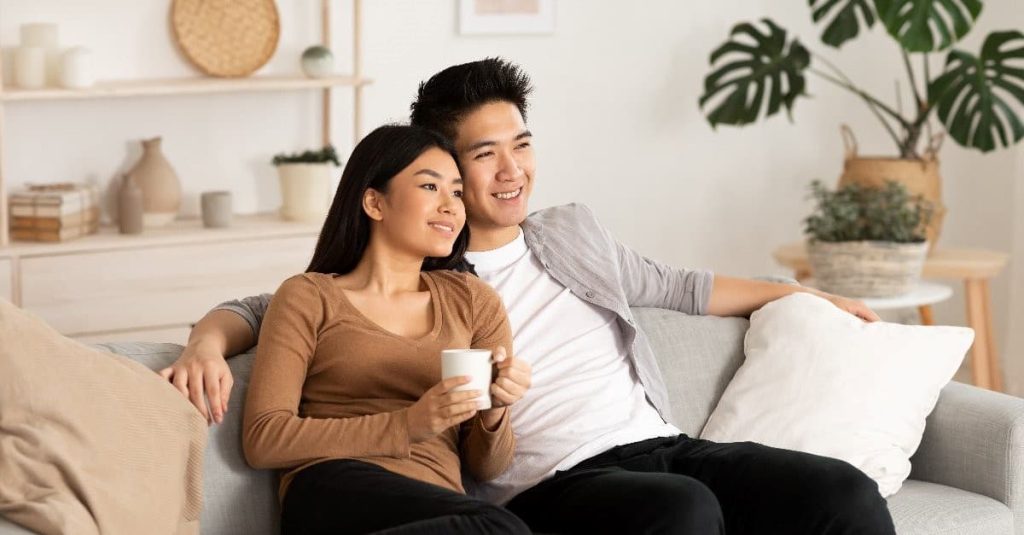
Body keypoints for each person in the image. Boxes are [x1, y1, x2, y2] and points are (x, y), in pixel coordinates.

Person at [163, 59, 894, 534]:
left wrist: (806, 293)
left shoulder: (570, 232)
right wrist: (205, 337)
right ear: (439, 167)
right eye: (483, 155)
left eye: (522, 143)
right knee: (683, 513)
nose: (511, 170)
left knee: (842, 494)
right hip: (555, 484)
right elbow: (287, 304)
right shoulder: (434, 276)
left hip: (664, 444)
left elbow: (679, 285)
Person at [239, 124, 532, 535]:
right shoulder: (310, 296)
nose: (451, 205)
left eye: (457, 192)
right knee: (500, 529)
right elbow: (263, 438)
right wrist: (407, 425)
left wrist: (497, 407)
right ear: (375, 203)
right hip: (333, 488)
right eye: (430, 187)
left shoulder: (473, 301)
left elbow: (488, 465)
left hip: (442, 510)